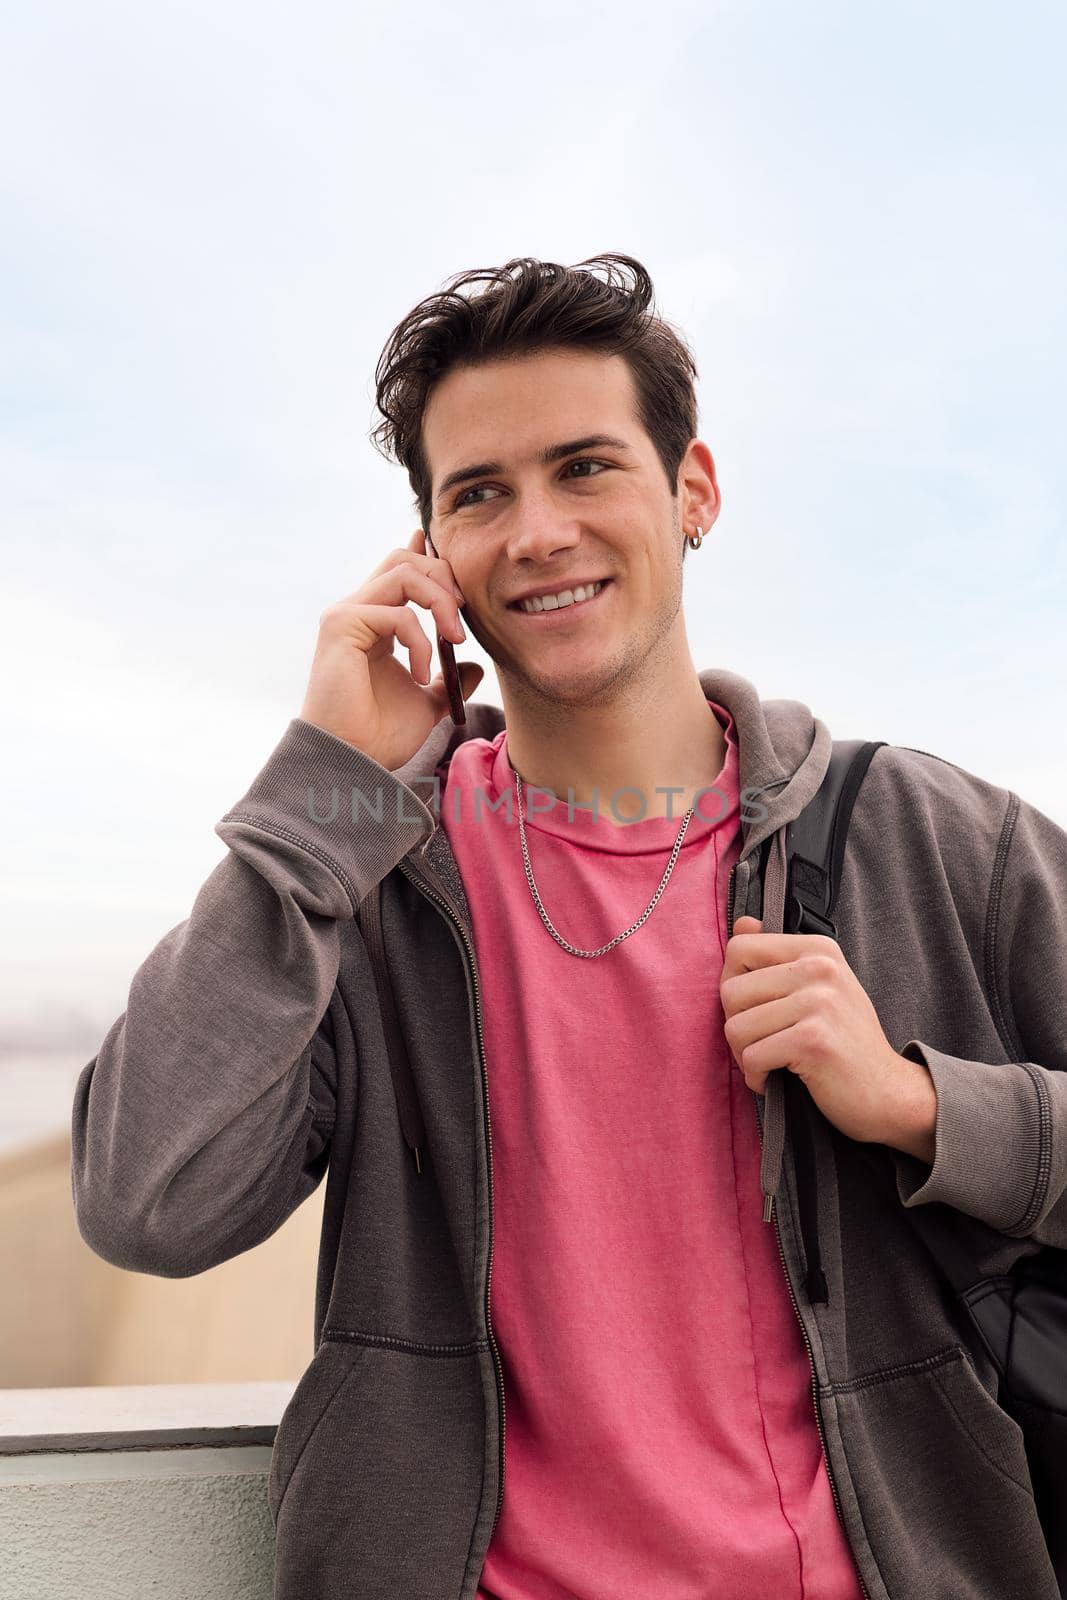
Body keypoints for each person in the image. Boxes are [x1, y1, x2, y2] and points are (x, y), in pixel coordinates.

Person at [71, 254, 1067, 1600]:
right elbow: (147, 1203)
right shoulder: (370, 884)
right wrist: (324, 791)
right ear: (430, 554)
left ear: (693, 490)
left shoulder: (934, 840)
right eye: (479, 493)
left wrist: (919, 1104)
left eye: (586, 467)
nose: (536, 530)